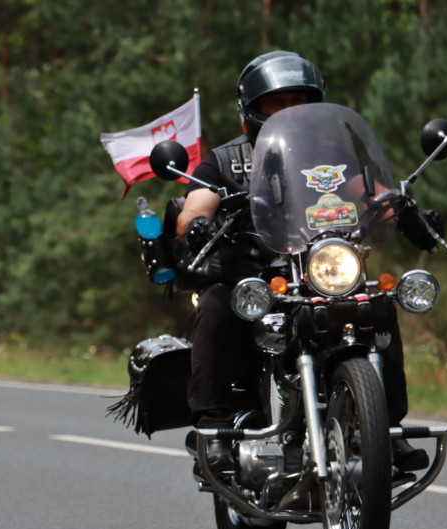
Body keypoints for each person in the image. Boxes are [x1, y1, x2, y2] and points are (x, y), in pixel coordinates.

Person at [175, 51, 432, 472]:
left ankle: (385, 429)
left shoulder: (330, 156)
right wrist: (197, 224)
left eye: (298, 101)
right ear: (251, 110)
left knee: (379, 306)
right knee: (217, 307)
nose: (287, 111)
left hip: (318, 270)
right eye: (276, 103)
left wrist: (403, 211)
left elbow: (373, 196)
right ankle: (215, 431)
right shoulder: (224, 161)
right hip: (252, 275)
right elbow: (195, 207)